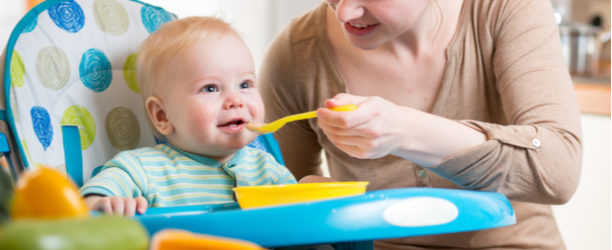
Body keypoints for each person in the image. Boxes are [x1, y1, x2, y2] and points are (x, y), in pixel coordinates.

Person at [258, 0, 582, 249]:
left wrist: (405, 130)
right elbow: (282, 213)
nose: (344, 12)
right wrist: (308, 199)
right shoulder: (295, 54)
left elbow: (558, 169)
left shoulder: (504, 10)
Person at [80, 16, 297, 216]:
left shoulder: (267, 169)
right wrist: (104, 203)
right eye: (210, 88)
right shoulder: (142, 168)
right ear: (162, 115)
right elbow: (87, 203)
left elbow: (300, 217)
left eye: (245, 84)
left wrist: (314, 186)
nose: (236, 100)